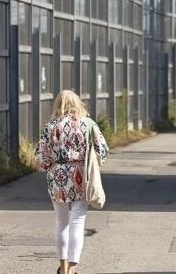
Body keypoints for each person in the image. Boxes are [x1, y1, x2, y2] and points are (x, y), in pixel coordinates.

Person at [35, 90, 109, 274]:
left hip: (57, 177)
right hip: (80, 176)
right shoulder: (88, 124)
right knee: (78, 220)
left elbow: (41, 159)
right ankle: (72, 269)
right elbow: (103, 151)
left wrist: (53, 164)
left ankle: (62, 267)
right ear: (77, 103)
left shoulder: (50, 126)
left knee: (61, 222)